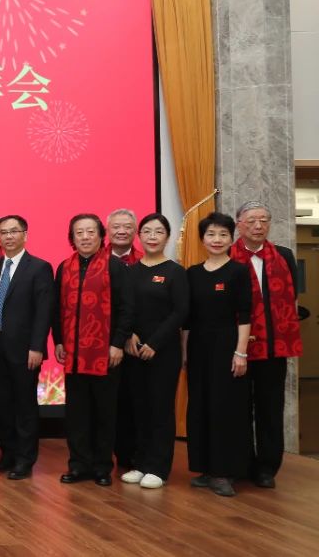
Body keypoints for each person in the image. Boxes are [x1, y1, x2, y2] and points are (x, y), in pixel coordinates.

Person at [52, 214, 134, 487]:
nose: (85, 237)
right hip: (73, 353)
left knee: (104, 412)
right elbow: (57, 308)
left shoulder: (115, 267)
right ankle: (78, 465)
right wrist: (59, 340)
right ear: (72, 238)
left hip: (105, 353)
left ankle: (101, 466)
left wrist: (117, 343)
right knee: (77, 413)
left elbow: (126, 309)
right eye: (79, 233)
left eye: (90, 232)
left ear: (101, 236)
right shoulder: (64, 267)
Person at [230, 201, 302, 489]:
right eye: (251, 221)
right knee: (239, 408)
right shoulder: (227, 256)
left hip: (273, 347)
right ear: (239, 224)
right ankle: (242, 463)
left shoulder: (284, 256)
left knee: (270, 408)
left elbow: (292, 297)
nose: (258, 226)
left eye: (264, 220)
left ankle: (267, 467)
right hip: (238, 348)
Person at [117, 213, 187, 490]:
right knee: (139, 408)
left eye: (158, 231)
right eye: (147, 231)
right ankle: (140, 463)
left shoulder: (175, 272)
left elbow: (180, 312)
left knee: (160, 409)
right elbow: (124, 308)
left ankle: (158, 467)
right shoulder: (130, 271)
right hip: (133, 350)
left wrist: (155, 343)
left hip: (163, 352)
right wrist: (129, 335)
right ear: (139, 236)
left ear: (167, 237)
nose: (152, 236)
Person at [185, 211, 253, 497]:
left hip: (227, 345)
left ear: (231, 239)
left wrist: (241, 353)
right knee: (200, 405)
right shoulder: (192, 273)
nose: (217, 239)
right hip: (198, 346)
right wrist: (184, 354)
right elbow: (187, 320)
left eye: (223, 234)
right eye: (211, 234)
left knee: (224, 407)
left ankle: (224, 472)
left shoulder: (238, 271)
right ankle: (205, 468)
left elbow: (245, 315)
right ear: (202, 239)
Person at [0, 215, 54, 480]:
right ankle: (8, 453)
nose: (9, 236)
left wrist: (37, 347)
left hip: (25, 351)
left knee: (25, 406)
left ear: (25, 234)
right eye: (4, 232)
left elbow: (43, 311)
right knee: (3, 405)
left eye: (14, 231)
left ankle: (25, 459)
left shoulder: (39, 267)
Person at [107, 208, 143, 474]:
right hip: (106, 345)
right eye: (116, 227)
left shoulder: (145, 260)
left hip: (140, 345)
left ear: (135, 231)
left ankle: (134, 455)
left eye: (127, 227)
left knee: (136, 401)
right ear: (107, 231)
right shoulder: (96, 262)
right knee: (111, 402)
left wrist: (132, 333)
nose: (121, 231)